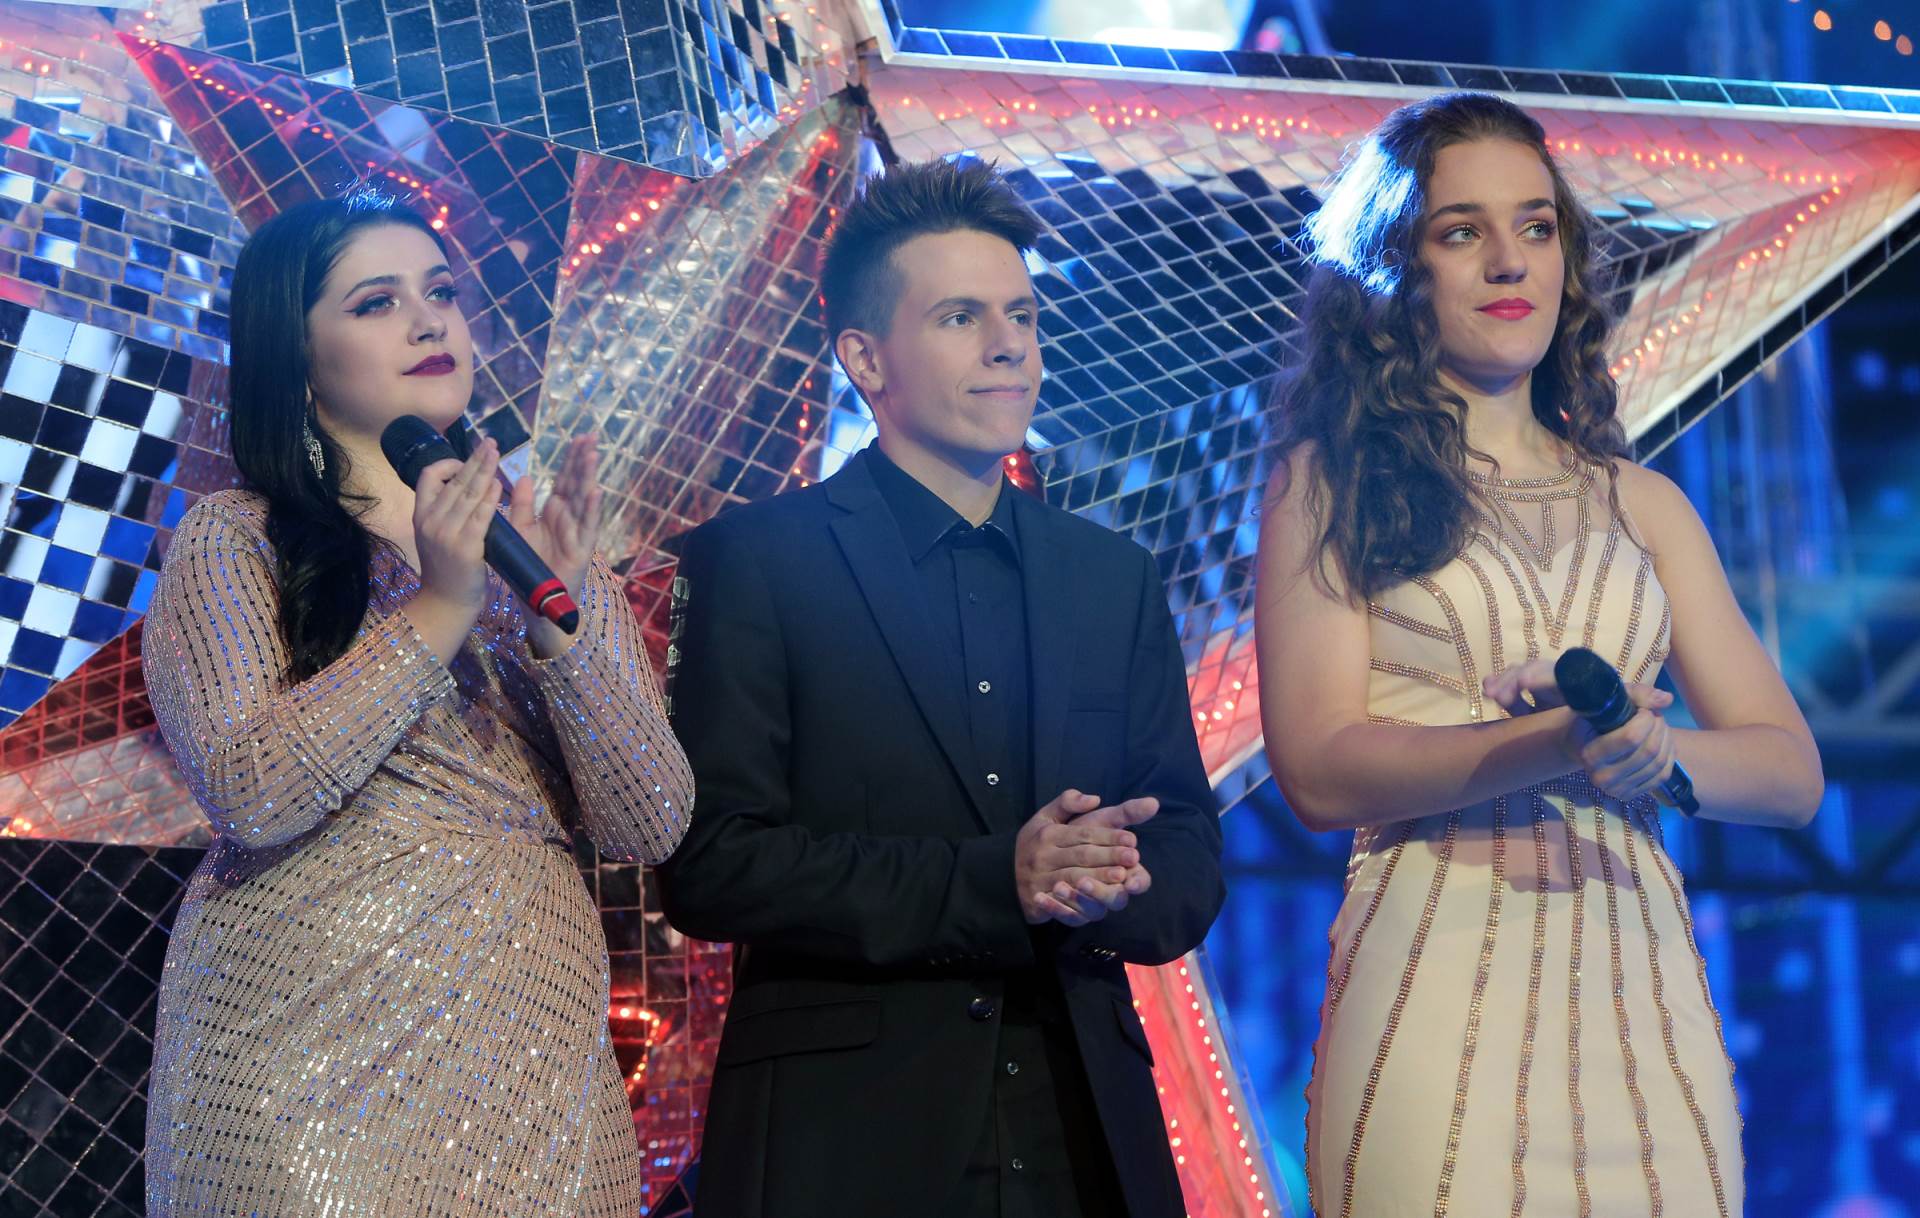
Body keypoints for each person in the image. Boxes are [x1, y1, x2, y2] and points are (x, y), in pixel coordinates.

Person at [1256, 91, 1825, 1218]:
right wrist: (1555, 741)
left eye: (1535, 225)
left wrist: (1651, 751)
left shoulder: (1644, 503)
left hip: (1644, 1007)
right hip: (1436, 999)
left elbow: (1791, 775)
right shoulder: (1328, 482)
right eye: (1460, 231)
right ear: (1395, 268)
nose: (1509, 260)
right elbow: (1317, 772)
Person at [657, 157, 1225, 1217]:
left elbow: (1188, 852)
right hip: (848, 1141)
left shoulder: (1111, 578)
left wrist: (1112, 879)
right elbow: (712, 865)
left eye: (1022, 315)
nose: (1010, 345)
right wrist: (997, 881)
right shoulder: (759, 559)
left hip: (1081, 1134)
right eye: (962, 317)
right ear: (865, 359)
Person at [141, 191, 693, 1217]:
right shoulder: (236, 538)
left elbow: (649, 820)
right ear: (298, 357)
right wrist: (441, 606)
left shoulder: (535, 553)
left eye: (441, 291)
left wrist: (568, 619)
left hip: (536, 1060)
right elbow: (251, 790)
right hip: (305, 1068)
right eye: (377, 301)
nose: (429, 320)